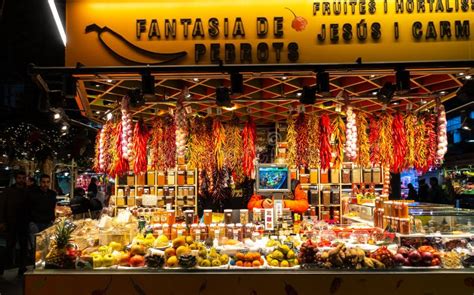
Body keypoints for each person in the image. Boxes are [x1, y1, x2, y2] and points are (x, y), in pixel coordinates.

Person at [0, 171, 29, 276]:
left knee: (23, 247)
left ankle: (22, 268)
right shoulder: (8, 191)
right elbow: (2, 206)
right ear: (16, 179)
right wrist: (2, 221)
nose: (21, 180)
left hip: (24, 223)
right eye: (19, 178)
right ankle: (2, 268)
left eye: (23, 178)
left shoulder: (27, 191)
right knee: (9, 246)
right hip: (11, 223)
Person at [28, 174, 57, 239]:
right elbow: (28, 208)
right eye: (43, 182)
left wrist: (52, 220)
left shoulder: (52, 193)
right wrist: (31, 222)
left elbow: (53, 207)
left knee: (47, 244)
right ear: (40, 182)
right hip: (35, 223)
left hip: (48, 223)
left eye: (47, 182)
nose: (45, 184)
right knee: (35, 246)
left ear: (50, 183)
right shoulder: (33, 193)